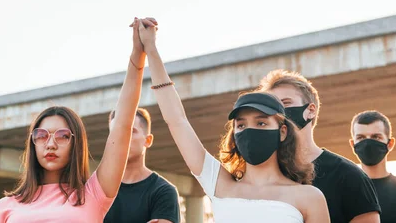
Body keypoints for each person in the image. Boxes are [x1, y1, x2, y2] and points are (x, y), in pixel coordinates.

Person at [137, 20, 330, 223]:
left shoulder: (310, 198)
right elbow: (177, 120)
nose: (249, 131)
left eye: (261, 122)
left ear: (282, 132)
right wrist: (150, 48)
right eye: (241, 125)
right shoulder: (220, 184)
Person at [0, 17, 153, 222]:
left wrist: (138, 53)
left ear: (76, 143)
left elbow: (122, 123)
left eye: (62, 136)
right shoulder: (6, 206)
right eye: (41, 135)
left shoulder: (94, 194)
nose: (50, 144)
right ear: (32, 143)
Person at [259, 70, 381, 223]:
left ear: (310, 110)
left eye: (285, 103)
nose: (277, 113)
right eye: (271, 108)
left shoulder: (349, 176)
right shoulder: (261, 174)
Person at [104, 108, 180, 223]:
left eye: (130, 131)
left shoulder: (163, 192)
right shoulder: (97, 188)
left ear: (148, 140)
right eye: (116, 132)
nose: (122, 137)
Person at [349, 110, 396, 223]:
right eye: (361, 138)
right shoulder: (343, 190)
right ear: (352, 144)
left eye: (376, 137)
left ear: (390, 144)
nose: (368, 143)